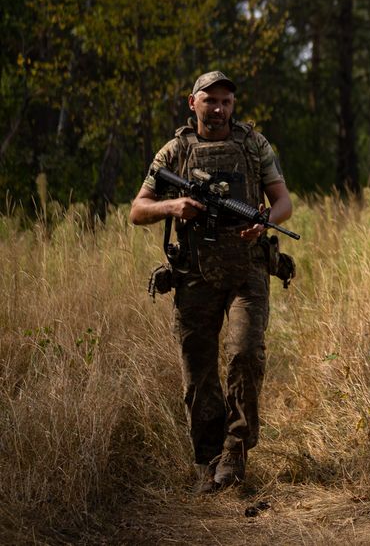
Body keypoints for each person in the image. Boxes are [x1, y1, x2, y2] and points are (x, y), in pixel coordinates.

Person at [129, 71, 293, 493]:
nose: (218, 109)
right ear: (192, 102)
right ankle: (209, 459)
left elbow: (284, 202)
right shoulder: (174, 152)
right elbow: (137, 210)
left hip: (247, 273)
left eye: (226, 102)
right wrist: (174, 206)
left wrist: (263, 224)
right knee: (198, 372)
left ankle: (235, 452)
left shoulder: (254, 145)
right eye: (210, 100)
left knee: (244, 357)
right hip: (193, 276)